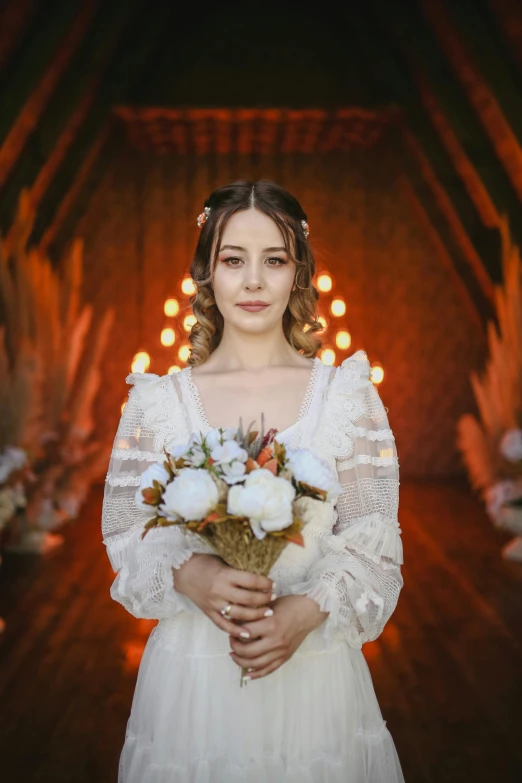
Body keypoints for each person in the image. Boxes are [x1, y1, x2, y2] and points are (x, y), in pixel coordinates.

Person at [102, 180, 405, 782]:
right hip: (194, 682)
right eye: (233, 260)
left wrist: (308, 608)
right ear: (206, 274)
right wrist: (192, 572)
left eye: (274, 260)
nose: (254, 281)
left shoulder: (346, 398)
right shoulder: (159, 405)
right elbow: (124, 531)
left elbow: (377, 545)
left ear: (298, 274)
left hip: (316, 682)